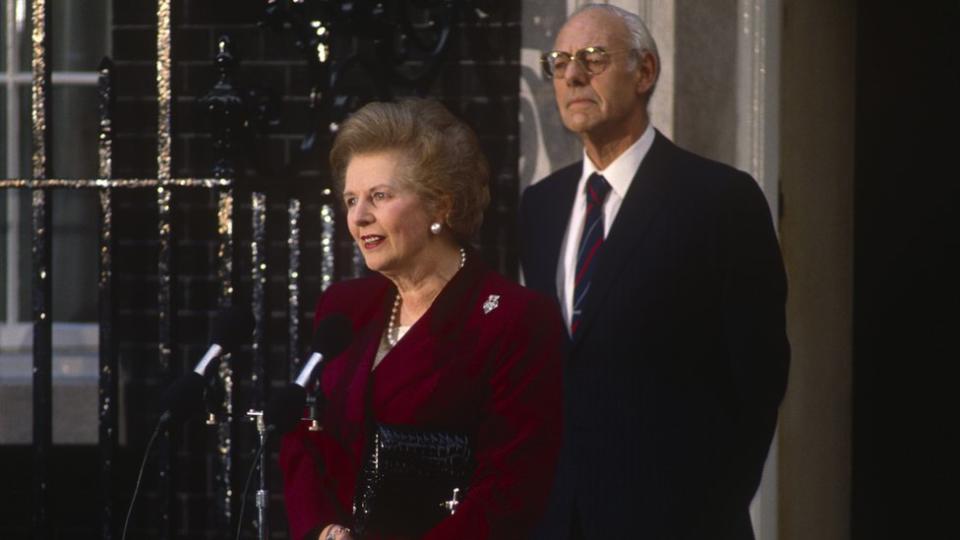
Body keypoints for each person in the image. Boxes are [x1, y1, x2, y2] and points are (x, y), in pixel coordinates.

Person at [519, 4, 790, 539]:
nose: (572, 74)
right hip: (562, 517)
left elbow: (759, 374)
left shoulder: (719, 199)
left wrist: (714, 507)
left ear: (645, 72)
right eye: (560, 61)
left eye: (593, 58)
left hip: (679, 518)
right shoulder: (541, 206)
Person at [279, 98, 564, 540]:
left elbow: (513, 487)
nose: (358, 217)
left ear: (440, 206)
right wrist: (322, 529)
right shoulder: (344, 307)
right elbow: (307, 431)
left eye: (379, 196)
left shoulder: (516, 318)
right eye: (351, 199)